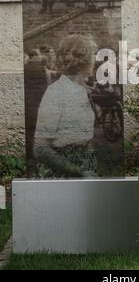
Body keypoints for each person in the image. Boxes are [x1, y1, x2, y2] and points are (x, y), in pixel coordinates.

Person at [34, 35, 97, 178]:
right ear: (82, 60)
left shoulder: (81, 89)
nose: (95, 60)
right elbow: (40, 148)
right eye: (93, 55)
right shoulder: (56, 92)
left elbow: (85, 135)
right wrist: (78, 172)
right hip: (61, 174)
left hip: (85, 169)